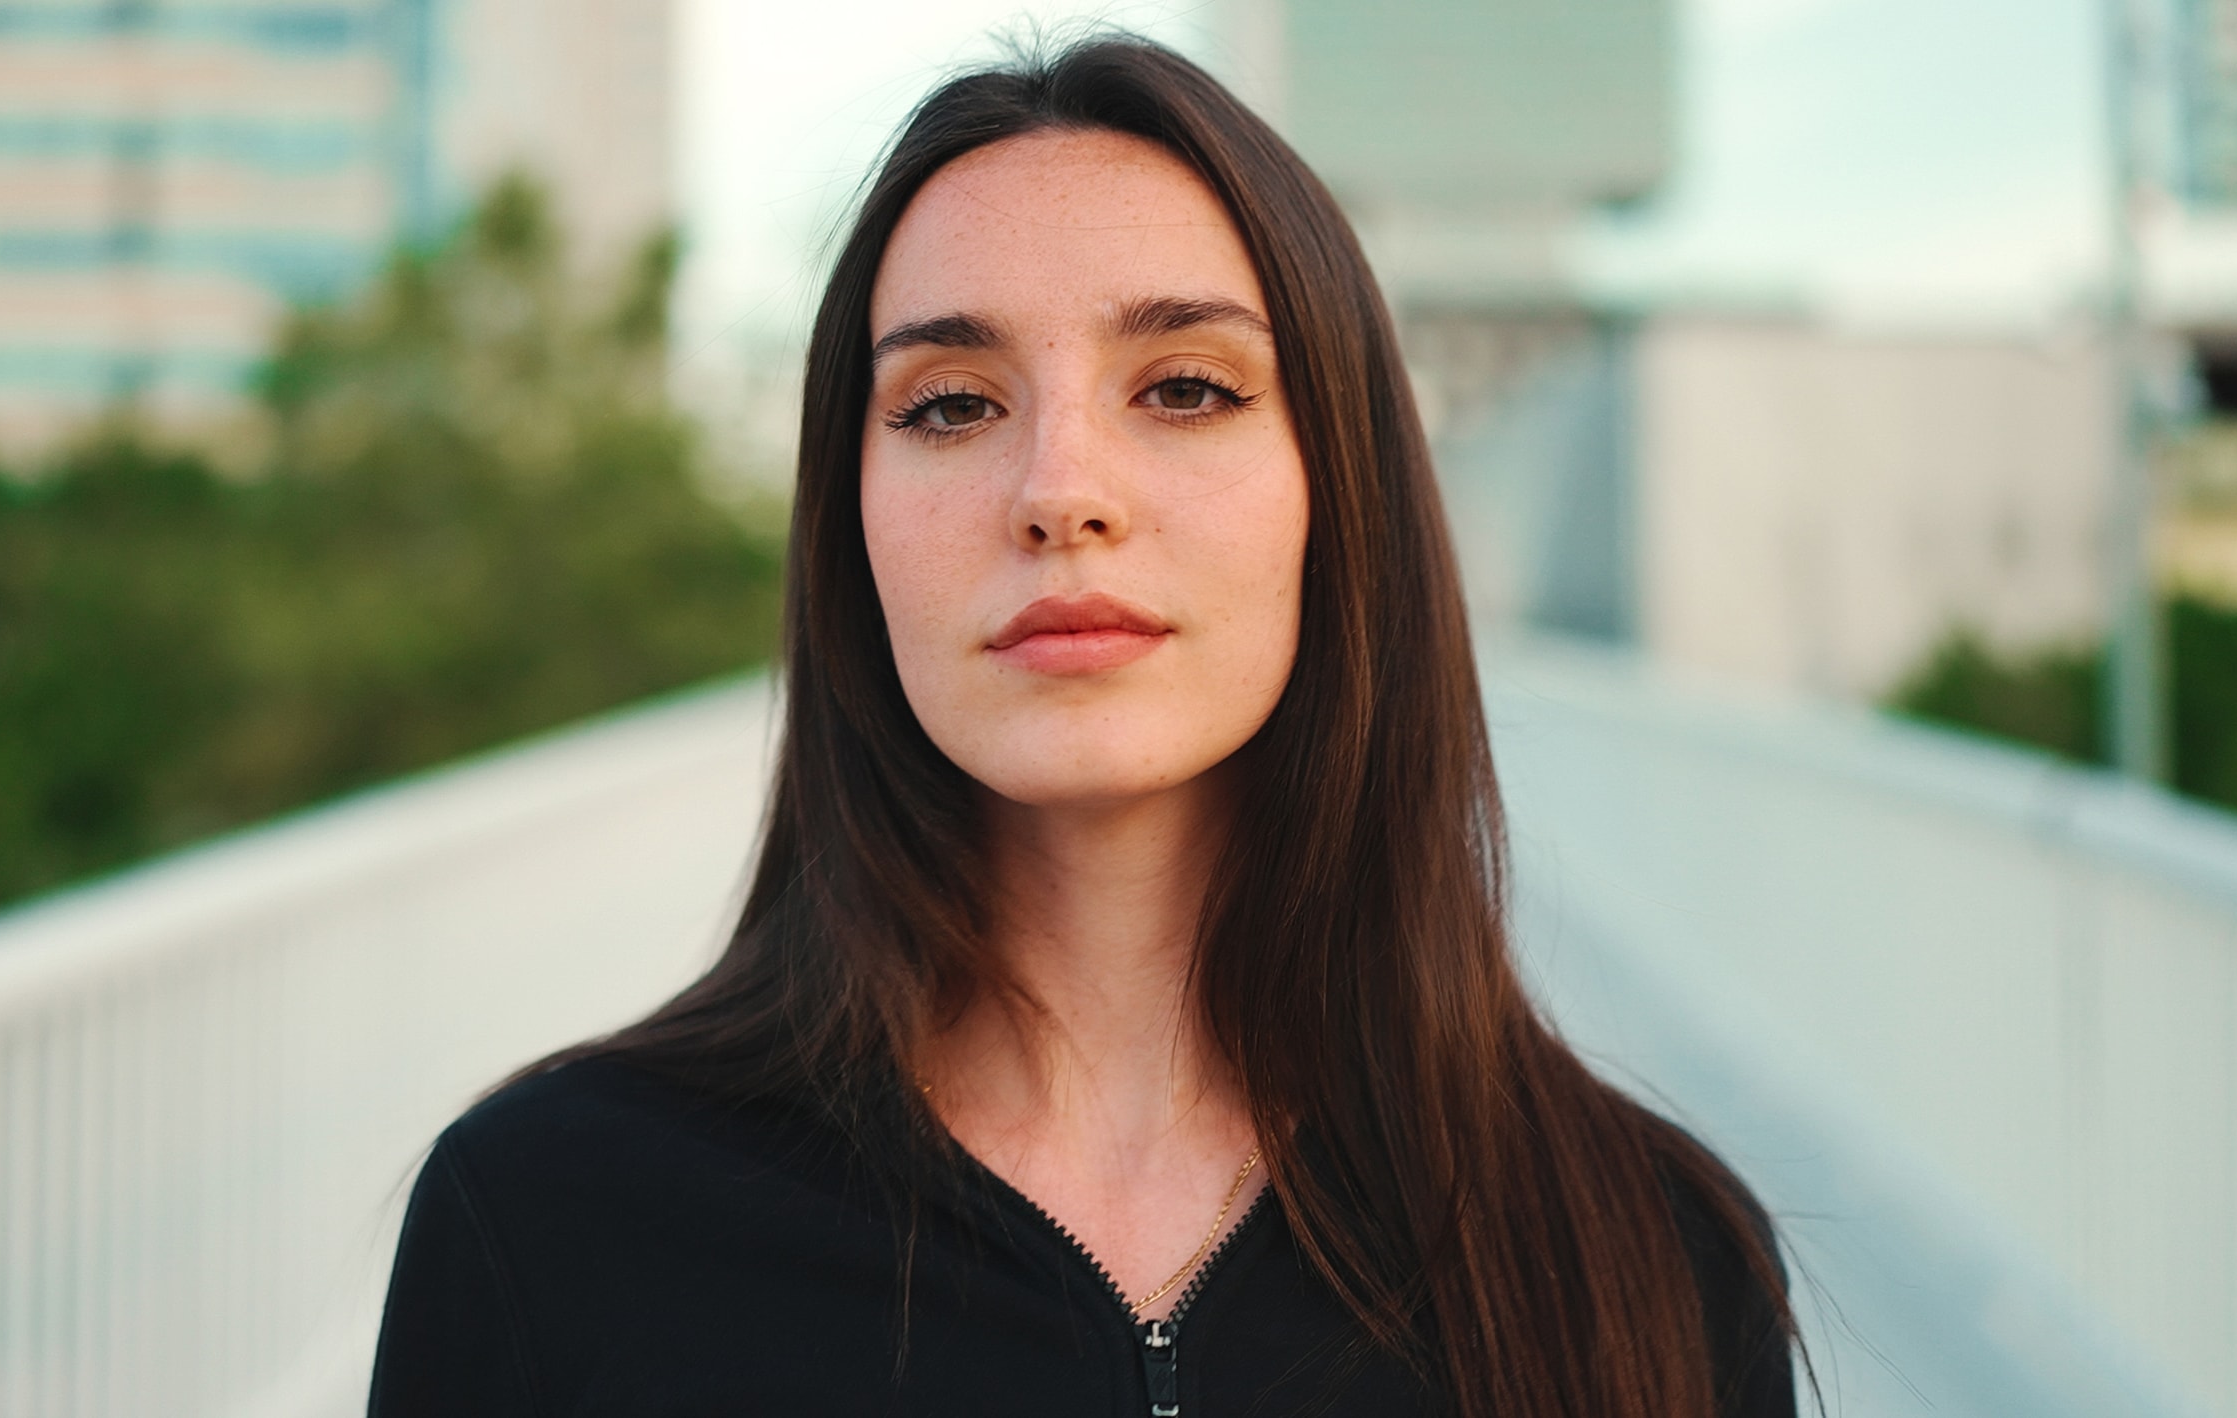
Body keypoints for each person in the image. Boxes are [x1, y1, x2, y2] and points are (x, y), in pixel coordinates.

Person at [367, 35, 1797, 1418]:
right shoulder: (553, 1225)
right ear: (846, 527)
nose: (1062, 489)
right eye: (950, 405)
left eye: (1185, 387)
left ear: (1340, 497)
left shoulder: (1647, 1257)